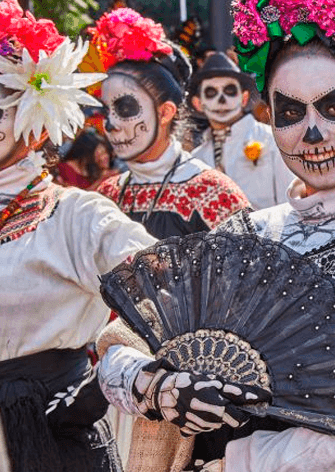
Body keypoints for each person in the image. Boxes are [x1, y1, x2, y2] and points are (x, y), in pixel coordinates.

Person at [96, 0, 335, 470]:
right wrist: (154, 387)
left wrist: (232, 465)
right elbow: (122, 343)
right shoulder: (247, 233)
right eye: (291, 112)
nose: (312, 133)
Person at [0, 1, 156, 470]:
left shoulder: (77, 215)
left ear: (35, 117)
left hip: (51, 438)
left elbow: (163, 285)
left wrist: (114, 371)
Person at [91, 9, 251, 239]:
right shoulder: (107, 194)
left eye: (126, 109)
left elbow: (249, 270)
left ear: (165, 112)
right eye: (106, 110)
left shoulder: (212, 192)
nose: (110, 124)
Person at [188, 52, 295, 210]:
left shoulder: (273, 140)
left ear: (243, 98)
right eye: (211, 93)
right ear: (198, 103)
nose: (222, 100)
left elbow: (290, 204)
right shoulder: (196, 159)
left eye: (230, 91)